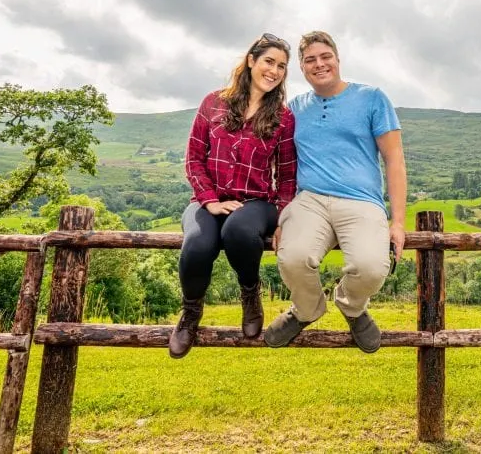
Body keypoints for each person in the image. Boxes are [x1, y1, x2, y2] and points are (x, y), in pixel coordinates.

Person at [263, 30, 406, 353]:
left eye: (325, 56)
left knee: (371, 267)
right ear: (302, 67)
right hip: (310, 199)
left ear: (338, 59)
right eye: (310, 60)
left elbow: (394, 160)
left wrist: (398, 222)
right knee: (292, 257)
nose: (319, 64)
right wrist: (282, 214)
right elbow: (279, 163)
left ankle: (352, 305)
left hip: (361, 200)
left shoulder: (372, 98)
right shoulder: (294, 108)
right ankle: (307, 309)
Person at [169, 33, 297, 359]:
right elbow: (194, 158)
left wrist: (283, 219)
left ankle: (250, 293)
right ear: (251, 60)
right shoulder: (213, 102)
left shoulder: (283, 118)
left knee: (238, 230)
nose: (275, 71)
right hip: (207, 199)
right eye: (269, 61)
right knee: (198, 244)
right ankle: (190, 314)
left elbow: (286, 176)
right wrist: (210, 200)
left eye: (282, 66)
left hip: (257, 203)